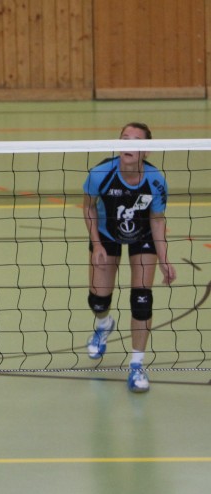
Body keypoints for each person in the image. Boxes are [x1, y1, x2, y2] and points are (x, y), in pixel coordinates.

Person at [83, 122, 176, 392]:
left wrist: (164, 258)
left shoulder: (155, 181)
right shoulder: (100, 174)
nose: (128, 145)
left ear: (146, 151)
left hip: (142, 235)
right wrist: (96, 245)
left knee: (142, 300)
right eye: (124, 138)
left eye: (136, 141)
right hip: (106, 234)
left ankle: (137, 365)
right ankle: (104, 324)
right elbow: (88, 207)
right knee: (98, 300)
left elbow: (157, 219)